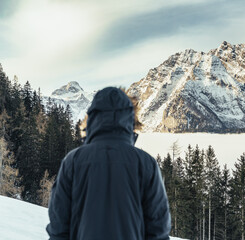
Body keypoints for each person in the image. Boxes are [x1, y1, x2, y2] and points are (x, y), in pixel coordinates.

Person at [46, 87, 171, 240]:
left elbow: (58, 226)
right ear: (130, 120)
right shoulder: (146, 164)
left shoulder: (73, 161)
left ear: (92, 118)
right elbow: (158, 230)